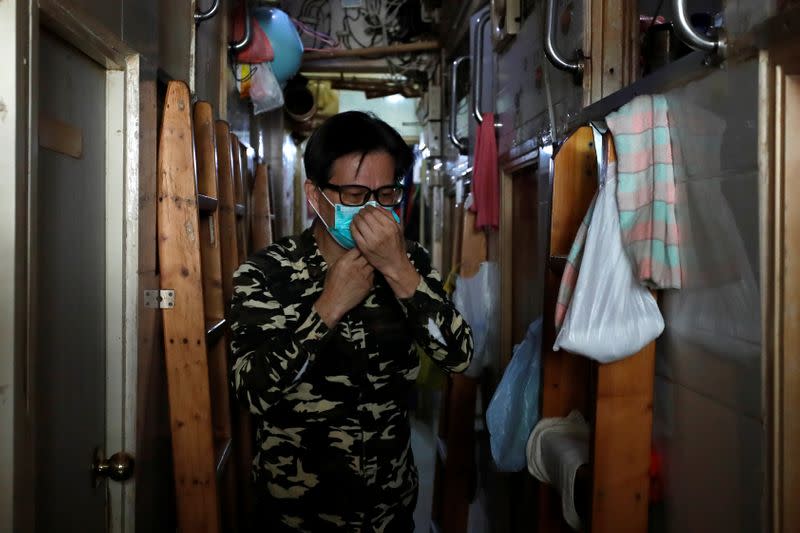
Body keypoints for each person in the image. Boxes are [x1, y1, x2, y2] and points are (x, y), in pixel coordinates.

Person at [229, 111, 474, 532]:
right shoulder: (265, 274)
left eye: (385, 194)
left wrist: (399, 271)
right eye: (356, 195)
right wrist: (327, 308)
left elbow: (460, 356)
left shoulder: (410, 262)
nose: (373, 211)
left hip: (389, 508)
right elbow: (252, 393)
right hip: (296, 514)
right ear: (315, 195)